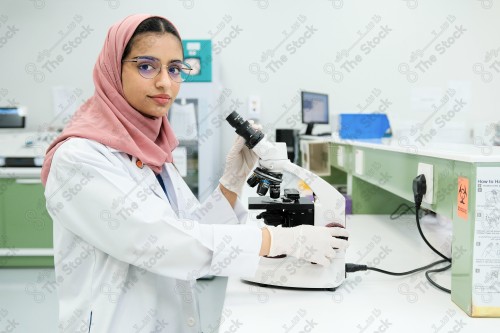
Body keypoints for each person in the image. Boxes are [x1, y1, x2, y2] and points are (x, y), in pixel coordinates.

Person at [41, 14, 349, 333]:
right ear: (112, 69)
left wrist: (231, 183)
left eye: (174, 69)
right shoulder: (78, 158)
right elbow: (158, 241)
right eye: (146, 66)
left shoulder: (154, 150)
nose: (165, 83)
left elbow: (192, 229)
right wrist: (280, 238)